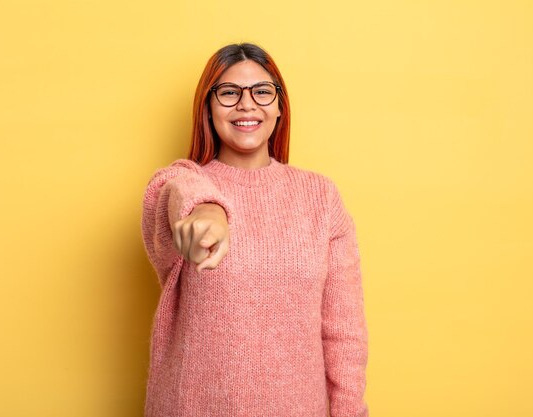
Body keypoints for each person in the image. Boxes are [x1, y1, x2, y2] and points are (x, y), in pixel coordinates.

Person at [141, 43, 368, 417]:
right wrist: (207, 207)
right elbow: (168, 187)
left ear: (280, 107)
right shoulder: (186, 186)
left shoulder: (321, 196)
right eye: (229, 93)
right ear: (208, 108)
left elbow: (345, 333)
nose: (247, 105)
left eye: (262, 92)